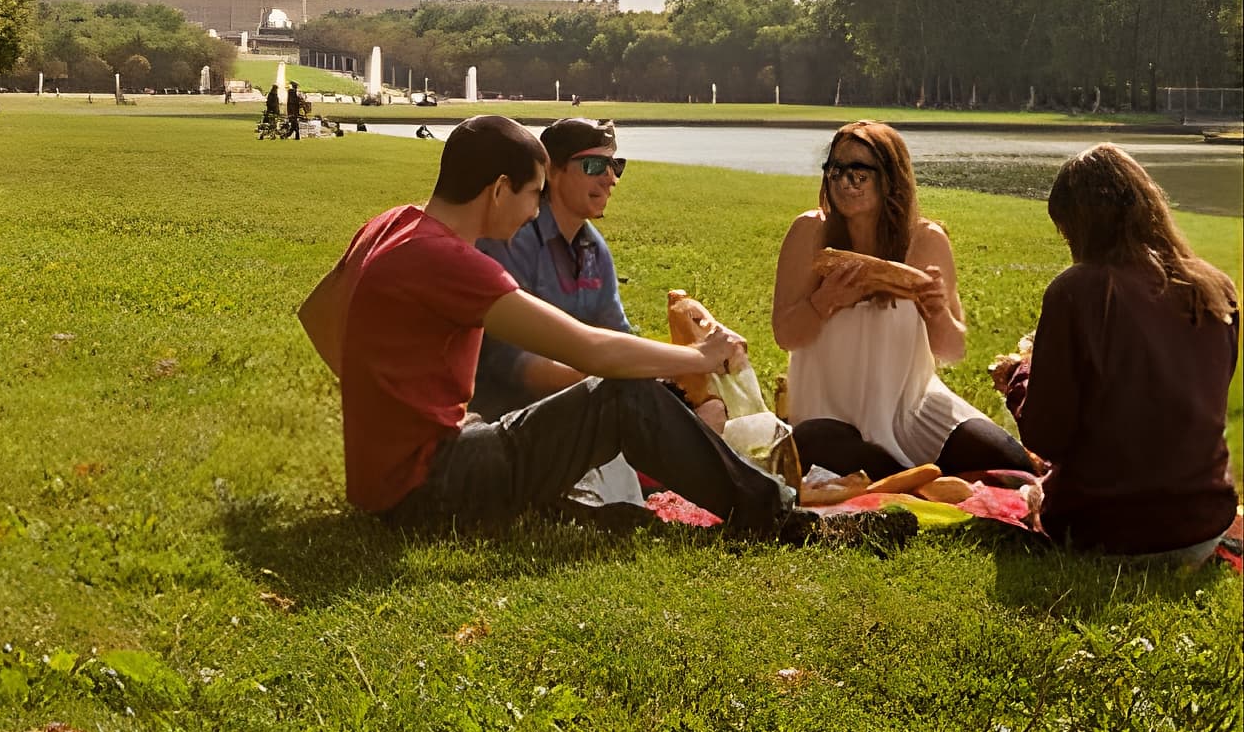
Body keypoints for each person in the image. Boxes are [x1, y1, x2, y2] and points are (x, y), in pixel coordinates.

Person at [298, 115, 794, 535]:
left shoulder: (392, 224)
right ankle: (777, 513)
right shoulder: (451, 261)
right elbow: (592, 352)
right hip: (432, 488)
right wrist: (702, 356)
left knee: (599, 420)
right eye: (534, 194)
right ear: (498, 190)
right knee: (623, 396)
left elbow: (317, 316)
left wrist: (386, 400)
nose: (536, 210)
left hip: (396, 480)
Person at [993, 144, 1239, 562]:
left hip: (1106, 532)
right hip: (1202, 526)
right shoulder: (1216, 288)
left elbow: (1046, 435)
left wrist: (1020, 377)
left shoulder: (1077, 291)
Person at [472, 119, 727, 507]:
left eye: (616, 166)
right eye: (594, 166)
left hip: (594, 400)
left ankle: (638, 473)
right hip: (517, 415)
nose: (611, 180)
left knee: (710, 408)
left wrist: (668, 376)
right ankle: (643, 474)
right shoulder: (513, 240)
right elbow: (515, 367)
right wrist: (619, 380)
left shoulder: (593, 249)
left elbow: (619, 335)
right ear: (552, 172)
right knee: (662, 414)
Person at [772, 120, 1032, 478]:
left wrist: (936, 310)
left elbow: (952, 348)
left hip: (912, 406)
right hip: (829, 411)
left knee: (1010, 462)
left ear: (891, 177)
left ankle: (908, 474)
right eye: (836, 170)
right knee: (813, 443)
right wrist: (824, 301)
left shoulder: (926, 240)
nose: (845, 182)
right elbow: (786, 335)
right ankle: (912, 476)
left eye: (859, 172)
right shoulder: (809, 231)